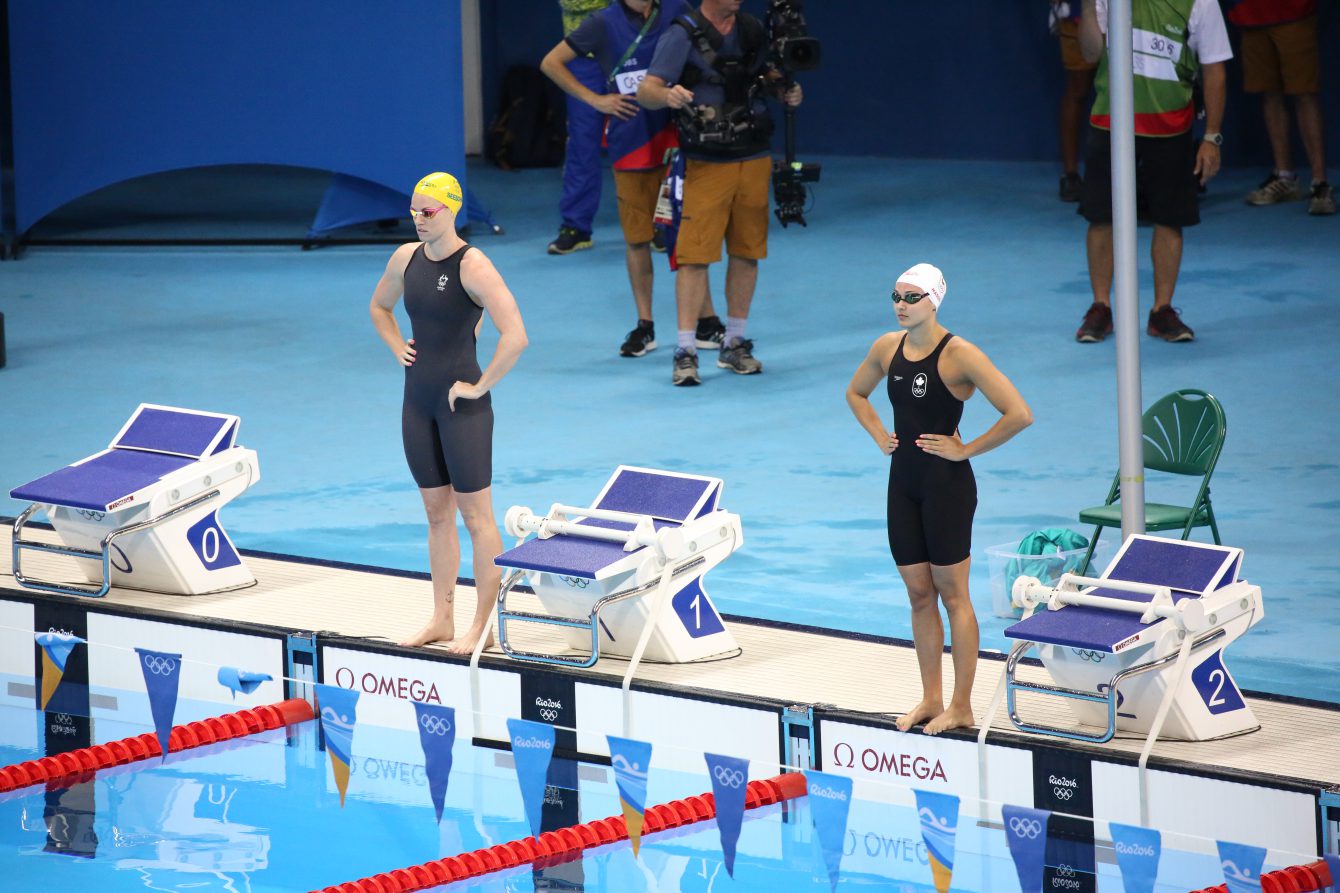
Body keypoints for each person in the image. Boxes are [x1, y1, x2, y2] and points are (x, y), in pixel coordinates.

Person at [846, 264, 1032, 735]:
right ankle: (931, 698)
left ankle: (962, 705)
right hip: (902, 482)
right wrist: (877, 435)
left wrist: (966, 449)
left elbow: (1019, 413)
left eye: (911, 297)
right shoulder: (887, 347)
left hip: (946, 487)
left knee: (954, 595)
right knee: (918, 594)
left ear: (934, 301)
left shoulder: (960, 355)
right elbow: (856, 393)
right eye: (896, 296)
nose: (901, 305)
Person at [369, 172, 529, 653]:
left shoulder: (473, 265)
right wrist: (398, 346)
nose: (419, 219)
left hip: (462, 410)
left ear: (452, 211)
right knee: (436, 514)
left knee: (477, 517)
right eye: (414, 210)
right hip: (417, 403)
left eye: (428, 211)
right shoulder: (405, 258)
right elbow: (380, 307)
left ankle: (484, 626)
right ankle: (441, 618)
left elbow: (516, 335)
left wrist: (480, 386)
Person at [540, 0, 723, 357]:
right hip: (631, 143)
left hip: (676, 137)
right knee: (638, 239)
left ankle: (707, 322)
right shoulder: (602, 22)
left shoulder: (676, 9)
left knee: (688, 235)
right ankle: (645, 327)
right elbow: (551, 62)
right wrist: (595, 100)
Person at [638, 0, 802, 386]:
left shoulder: (749, 28)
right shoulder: (681, 33)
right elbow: (647, 89)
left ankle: (735, 343)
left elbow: (768, 74)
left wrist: (786, 91)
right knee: (695, 258)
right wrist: (666, 96)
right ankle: (685, 351)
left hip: (753, 156)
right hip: (704, 163)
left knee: (747, 252)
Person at [1074, 0, 1231, 344]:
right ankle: (1100, 306)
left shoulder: (1199, 2)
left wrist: (1211, 138)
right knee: (1101, 217)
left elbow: (1214, 69)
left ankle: (1163, 310)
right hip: (1110, 122)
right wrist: (1087, 7)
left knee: (1169, 218)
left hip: (1171, 127)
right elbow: (1089, 54)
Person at [1226, 0, 1334, 216]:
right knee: (1269, 92)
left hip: (1294, 11)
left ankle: (1320, 183)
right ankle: (1285, 177)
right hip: (1250, 13)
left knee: (1304, 93)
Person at [550, 0, 613, 255]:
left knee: (644, 141)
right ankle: (576, 228)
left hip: (630, 53)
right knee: (581, 146)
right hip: (581, 59)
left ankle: (658, 224)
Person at [1051, 1, 1097, 202]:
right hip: (1078, 13)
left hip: (1131, 13)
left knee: (1130, 90)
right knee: (1078, 88)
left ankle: (1135, 171)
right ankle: (1070, 175)